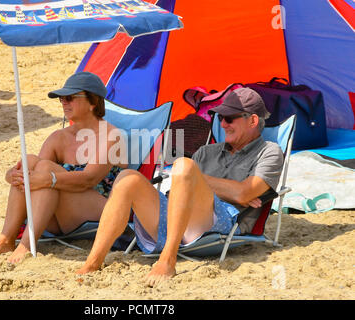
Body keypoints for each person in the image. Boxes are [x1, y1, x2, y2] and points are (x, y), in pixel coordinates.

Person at [76, 88, 284, 286]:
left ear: (253, 121)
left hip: (216, 223)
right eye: (220, 118)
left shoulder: (269, 152)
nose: (223, 125)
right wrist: (207, 184)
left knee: (183, 166)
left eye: (229, 118)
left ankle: (167, 260)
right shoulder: (206, 152)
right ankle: (93, 262)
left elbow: (244, 192)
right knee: (128, 177)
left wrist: (197, 180)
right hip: (174, 218)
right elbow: (191, 186)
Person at [0, 72, 127, 263]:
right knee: (31, 161)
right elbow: (34, 173)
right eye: (61, 99)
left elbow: (89, 179)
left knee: (46, 169)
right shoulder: (59, 137)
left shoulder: (111, 136)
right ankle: (6, 238)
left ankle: (25, 244)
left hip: (99, 210)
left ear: (93, 102)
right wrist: (12, 175)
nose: (64, 103)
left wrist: (51, 179)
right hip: (58, 216)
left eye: (70, 98)